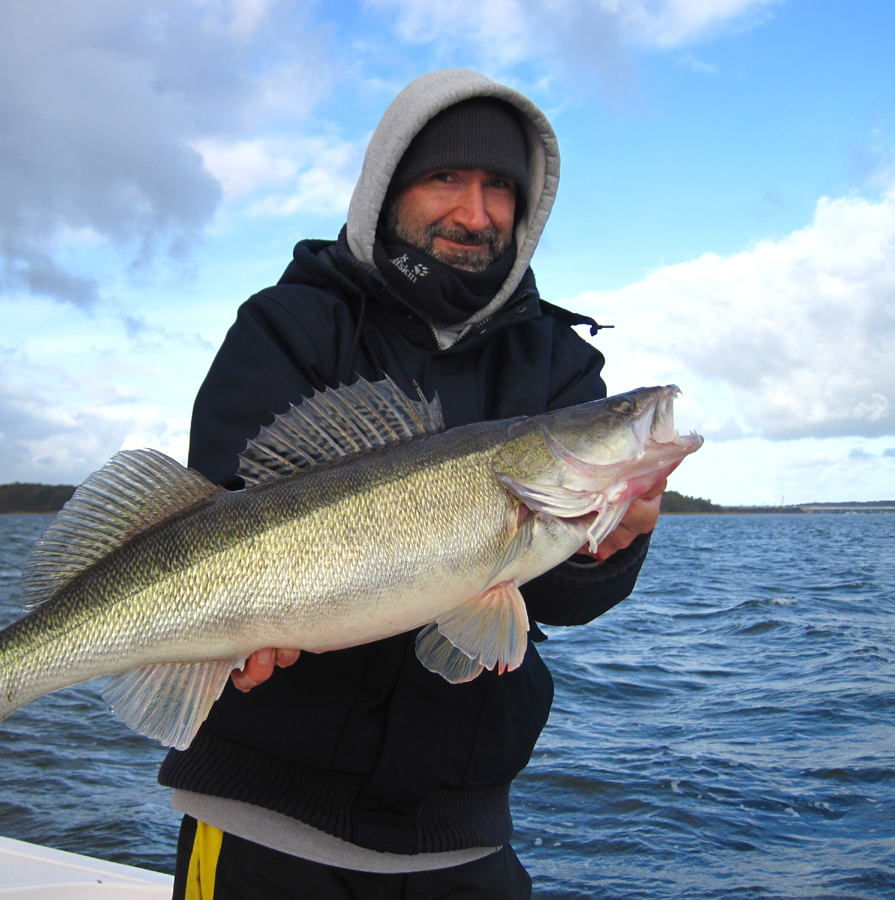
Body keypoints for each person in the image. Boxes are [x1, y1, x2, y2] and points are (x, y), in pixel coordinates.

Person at [160, 68, 665, 899]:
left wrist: (610, 541)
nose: (475, 212)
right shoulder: (287, 324)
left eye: (500, 187)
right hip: (259, 827)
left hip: (461, 844)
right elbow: (220, 502)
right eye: (446, 178)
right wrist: (243, 625)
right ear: (389, 186)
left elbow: (569, 599)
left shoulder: (561, 364)